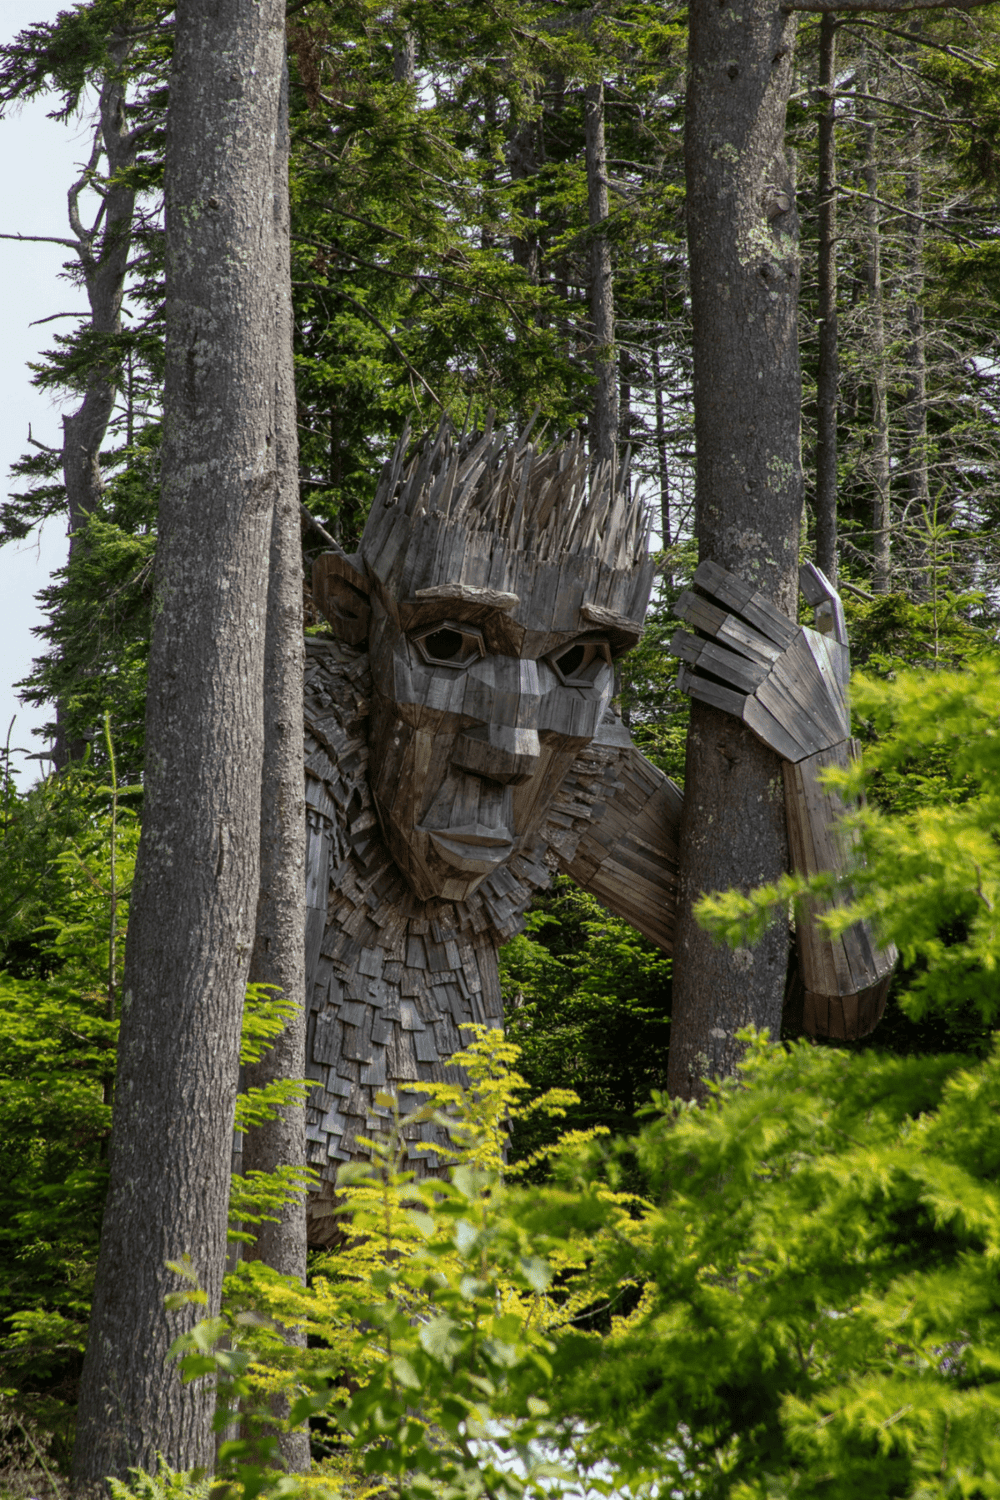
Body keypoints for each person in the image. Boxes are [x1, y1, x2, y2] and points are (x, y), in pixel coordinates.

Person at [300, 419, 893, 1242]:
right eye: (448, 645)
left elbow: (825, 999)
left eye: (576, 662)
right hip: (271, 1277)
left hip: (451, 1293)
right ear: (354, 613)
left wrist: (820, 757)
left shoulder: (577, 764)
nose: (512, 746)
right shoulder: (295, 748)